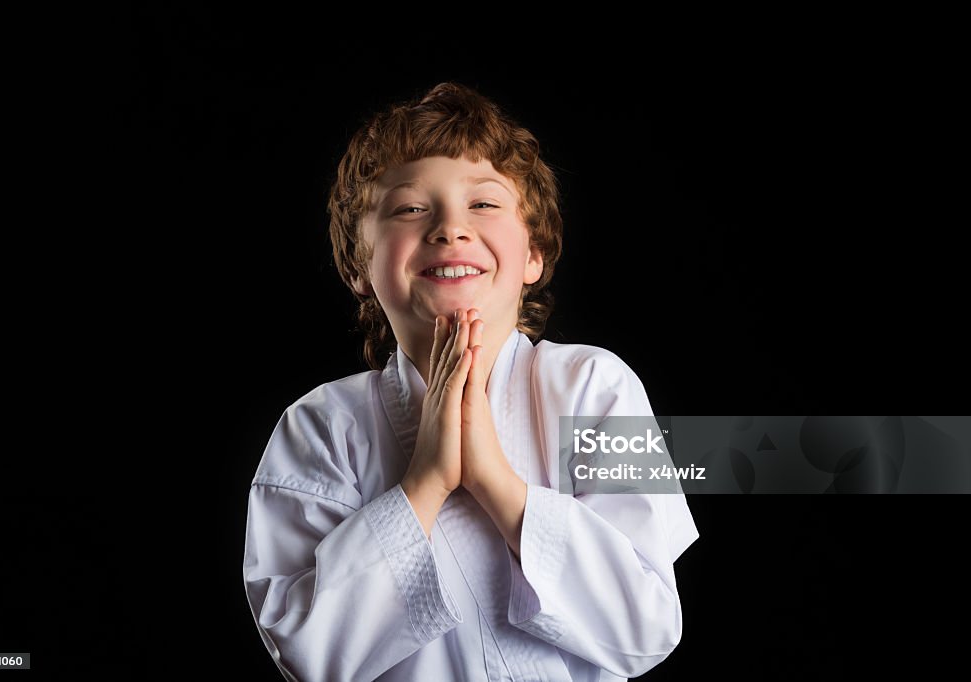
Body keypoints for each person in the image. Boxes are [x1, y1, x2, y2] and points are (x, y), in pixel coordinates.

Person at [242, 82, 700, 682]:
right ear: (358, 264)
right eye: (409, 208)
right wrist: (423, 485)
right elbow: (311, 653)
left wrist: (495, 482)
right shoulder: (320, 427)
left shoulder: (595, 387)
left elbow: (646, 628)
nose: (449, 228)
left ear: (533, 253)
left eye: (483, 204)